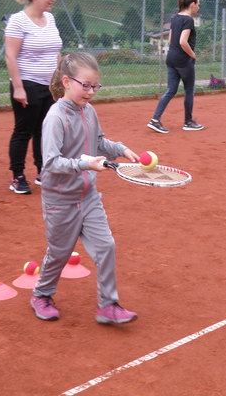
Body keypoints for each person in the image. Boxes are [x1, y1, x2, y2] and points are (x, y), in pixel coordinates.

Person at [30, 52, 138, 324]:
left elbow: (99, 142)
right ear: (67, 82)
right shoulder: (55, 117)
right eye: (85, 85)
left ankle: (108, 305)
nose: (90, 92)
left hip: (88, 196)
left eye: (95, 87)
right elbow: (52, 162)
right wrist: (86, 163)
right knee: (59, 253)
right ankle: (41, 294)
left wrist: (121, 149)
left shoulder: (89, 111)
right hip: (60, 200)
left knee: (106, 246)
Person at [5, 0, 62, 194]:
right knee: (23, 131)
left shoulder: (51, 19)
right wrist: (18, 87)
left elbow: (55, 51)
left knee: (45, 130)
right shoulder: (18, 21)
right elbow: (11, 56)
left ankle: (43, 172)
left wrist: (59, 80)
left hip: (49, 86)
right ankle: (17, 176)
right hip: (27, 84)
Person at [147, 0, 204, 133]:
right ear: (192, 5)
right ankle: (188, 122)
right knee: (189, 90)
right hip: (183, 60)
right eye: (198, 5)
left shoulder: (175, 18)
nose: (198, 7)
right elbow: (182, 42)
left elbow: (172, 40)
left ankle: (155, 119)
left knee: (171, 90)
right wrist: (193, 55)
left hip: (171, 58)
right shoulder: (188, 20)